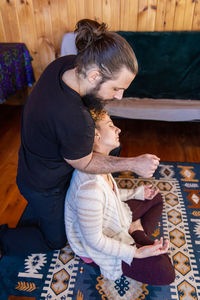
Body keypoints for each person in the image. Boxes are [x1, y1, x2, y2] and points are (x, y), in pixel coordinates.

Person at [0, 19, 160, 256]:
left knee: (113, 148)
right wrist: (133, 163)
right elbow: (84, 162)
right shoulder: (74, 119)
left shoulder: (65, 65)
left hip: (36, 156)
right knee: (54, 240)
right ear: (95, 76)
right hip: (42, 185)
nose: (119, 96)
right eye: (116, 88)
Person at [65, 109, 175, 285]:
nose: (118, 129)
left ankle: (134, 229)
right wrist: (135, 253)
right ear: (95, 136)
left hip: (115, 219)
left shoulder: (100, 164)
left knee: (154, 198)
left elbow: (110, 196)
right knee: (166, 273)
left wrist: (136, 193)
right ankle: (137, 232)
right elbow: (94, 241)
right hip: (96, 248)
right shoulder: (89, 189)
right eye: (111, 125)